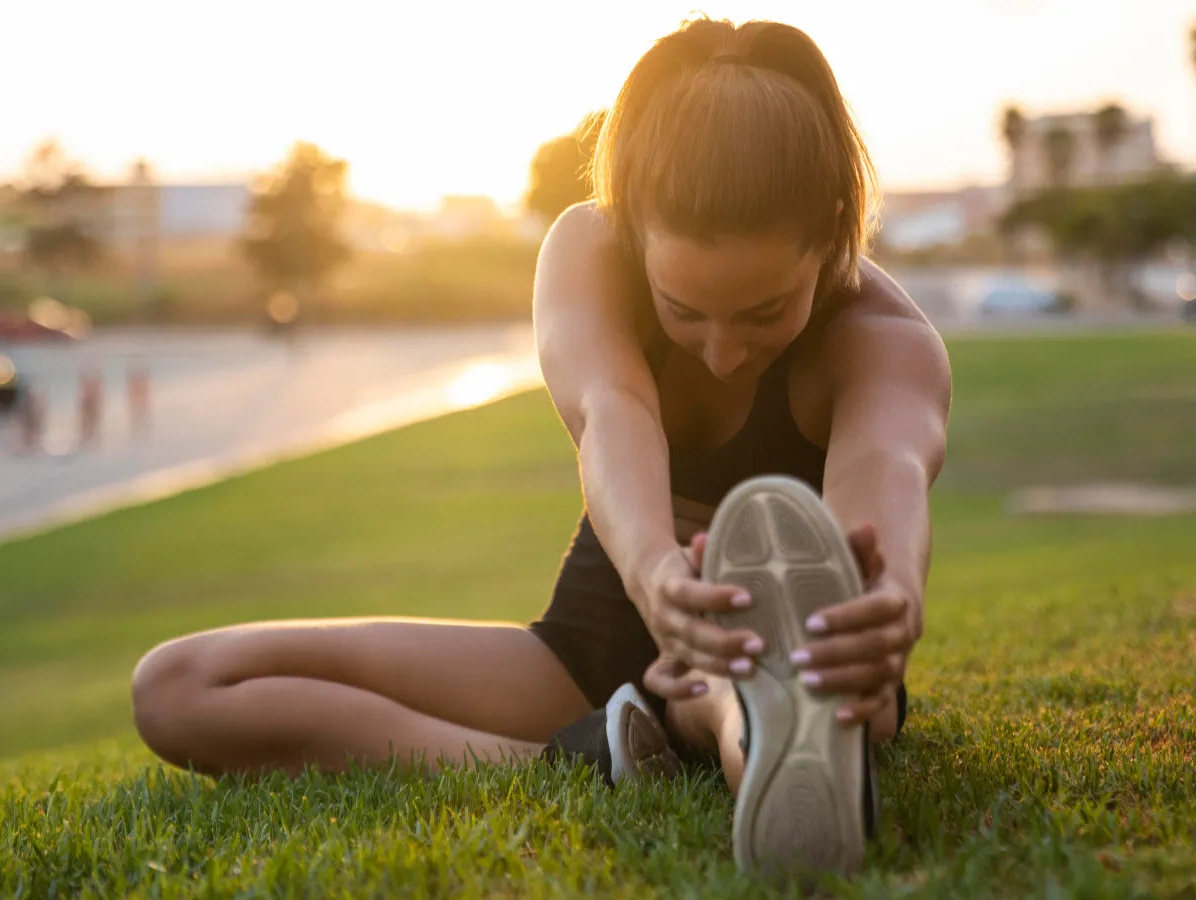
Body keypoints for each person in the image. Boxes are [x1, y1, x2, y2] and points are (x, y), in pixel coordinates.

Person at [130, 16, 951, 882]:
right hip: (590, 652)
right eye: (684, 312)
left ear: (829, 231)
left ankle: (738, 720)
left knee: (772, 701)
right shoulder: (589, 251)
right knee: (181, 687)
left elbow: (884, 480)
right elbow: (612, 414)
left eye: (763, 314)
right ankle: (603, 754)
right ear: (634, 225)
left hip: (802, 653)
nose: (721, 350)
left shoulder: (882, 341)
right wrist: (659, 577)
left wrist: (889, 595)